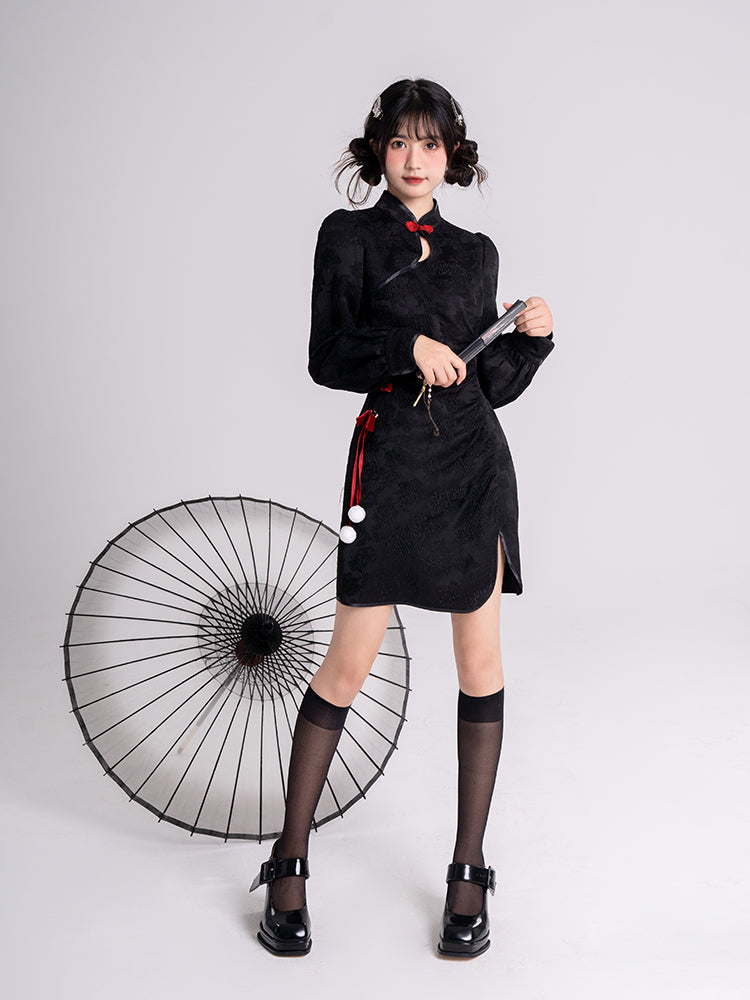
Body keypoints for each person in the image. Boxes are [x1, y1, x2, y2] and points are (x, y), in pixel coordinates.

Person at [249, 78, 554, 959]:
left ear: (451, 155)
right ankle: (289, 862)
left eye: (430, 143)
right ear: (378, 150)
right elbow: (326, 355)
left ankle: (469, 870)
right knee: (347, 666)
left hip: (472, 475)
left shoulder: (476, 252)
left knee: (480, 663)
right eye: (399, 142)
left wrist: (530, 339)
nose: (414, 159)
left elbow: (488, 385)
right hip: (390, 469)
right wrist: (405, 347)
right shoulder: (348, 236)